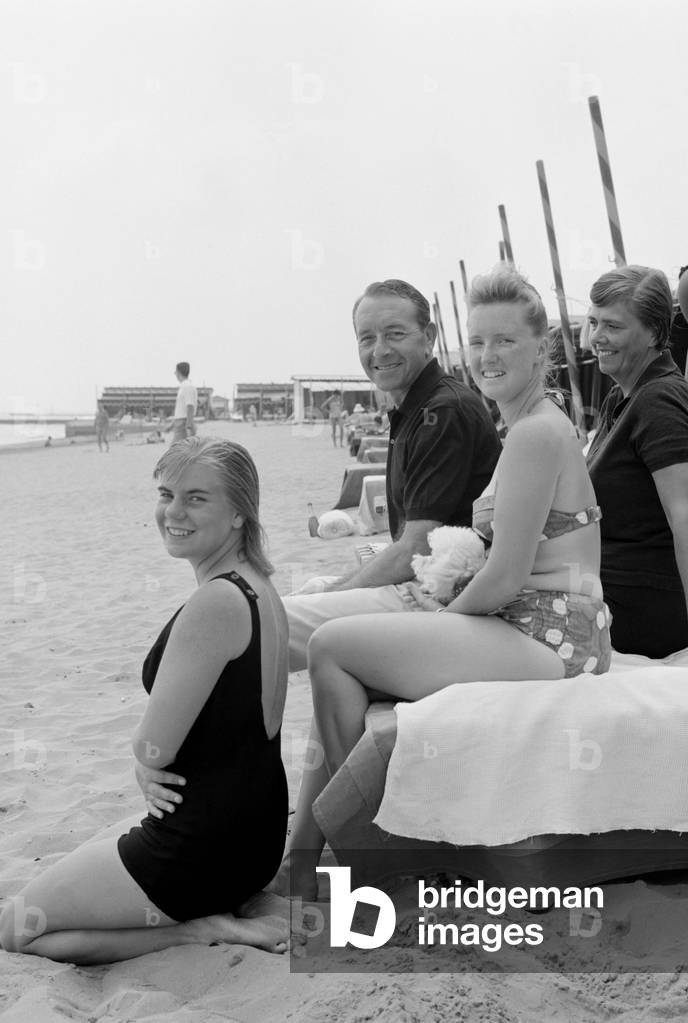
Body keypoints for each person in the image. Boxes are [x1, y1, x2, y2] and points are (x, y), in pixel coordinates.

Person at [269, 265, 612, 901]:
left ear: (543, 348)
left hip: (552, 634)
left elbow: (508, 575)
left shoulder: (536, 433)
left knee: (331, 647)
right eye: (478, 343)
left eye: (506, 341)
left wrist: (436, 622)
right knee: (337, 668)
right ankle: (306, 856)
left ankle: (362, 855)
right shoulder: (527, 423)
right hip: (540, 622)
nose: (488, 356)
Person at [0, 438, 293, 963]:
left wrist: (142, 762)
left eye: (197, 498)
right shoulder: (258, 586)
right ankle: (198, 916)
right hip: (254, 840)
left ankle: (193, 931)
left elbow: (156, 749)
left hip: (200, 850)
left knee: (17, 928)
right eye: (166, 493)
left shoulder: (216, 602)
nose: (173, 512)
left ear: (237, 515)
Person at [283, 279, 502, 671]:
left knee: (266, 628)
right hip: (427, 580)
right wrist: (331, 589)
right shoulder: (418, 408)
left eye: (395, 334)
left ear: (428, 337)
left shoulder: (443, 411)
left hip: (441, 594)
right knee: (303, 596)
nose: (379, 350)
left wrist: (335, 593)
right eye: (366, 338)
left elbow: (414, 549)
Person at [585, 264, 688, 665]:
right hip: (614, 585)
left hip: (643, 607)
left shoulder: (658, 403)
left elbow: (686, 517)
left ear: (653, 333)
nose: (596, 337)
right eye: (593, 321)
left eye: (613, 326)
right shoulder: (622, 398)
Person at [172, 362, 197, 443]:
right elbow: (181, 409)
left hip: (183, 424)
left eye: (175, 371)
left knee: (176, 451)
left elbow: (190, 406)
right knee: (179, 452)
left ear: (179, 372)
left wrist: (188, 426)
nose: (175, 374)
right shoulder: (184, 386)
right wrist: (172, 425)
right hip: (180, 423)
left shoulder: (187, 386)